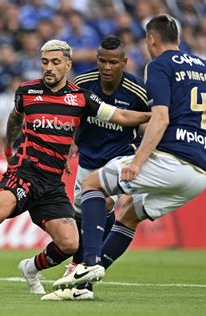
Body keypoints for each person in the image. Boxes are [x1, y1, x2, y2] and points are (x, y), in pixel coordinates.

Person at [0, 40, 151, 294]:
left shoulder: (80, 98)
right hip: (24, 173)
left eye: (55, 62)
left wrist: (155, 117)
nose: (49, 68)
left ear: (68, 65)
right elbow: (14, 118)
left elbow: (120, 116)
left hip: (52, 184)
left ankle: (31, 268)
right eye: (45, 62)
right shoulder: (27, 92)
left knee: (70, 243)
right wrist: (10, 150)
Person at [50, 14, 206, 296]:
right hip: (201, 174)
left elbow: (160, 118)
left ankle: (87, 262)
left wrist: (137, 163)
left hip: (172, 158)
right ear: (177, 39)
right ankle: (83, 287)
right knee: (129, 215)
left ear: (151, 40)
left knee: (92, 185)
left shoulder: (159, 66)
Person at [42, 35, 149, 301]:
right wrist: (70, 146)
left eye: (113, 62)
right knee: (83, 214)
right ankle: (86, 260)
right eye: (102, 60)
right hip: (88, 158)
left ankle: (84, 265)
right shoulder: (82, 83)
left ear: (124, 62)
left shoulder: (137, 91)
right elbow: (72, 117)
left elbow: (153, 120)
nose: (107, 67)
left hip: (120, 157)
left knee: (105, 203)